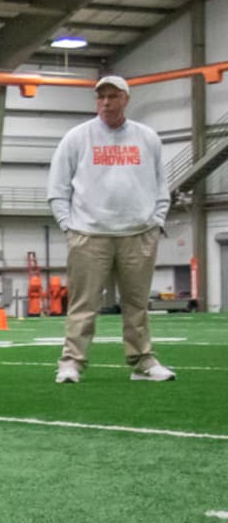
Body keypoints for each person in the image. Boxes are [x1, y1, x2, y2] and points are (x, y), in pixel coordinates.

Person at [47, 75, 174, 384]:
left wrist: (156, 222)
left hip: (139, 233)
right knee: (83, 303)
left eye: (113, 96)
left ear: (126, 99)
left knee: (137, 304)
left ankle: (143, 360)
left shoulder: (147, 137)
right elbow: (58, 186)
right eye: (101, 97)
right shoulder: (77, 137)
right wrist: (69, 226)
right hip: (89, 235)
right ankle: (71, 362)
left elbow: (161, 184)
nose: (105, 102)